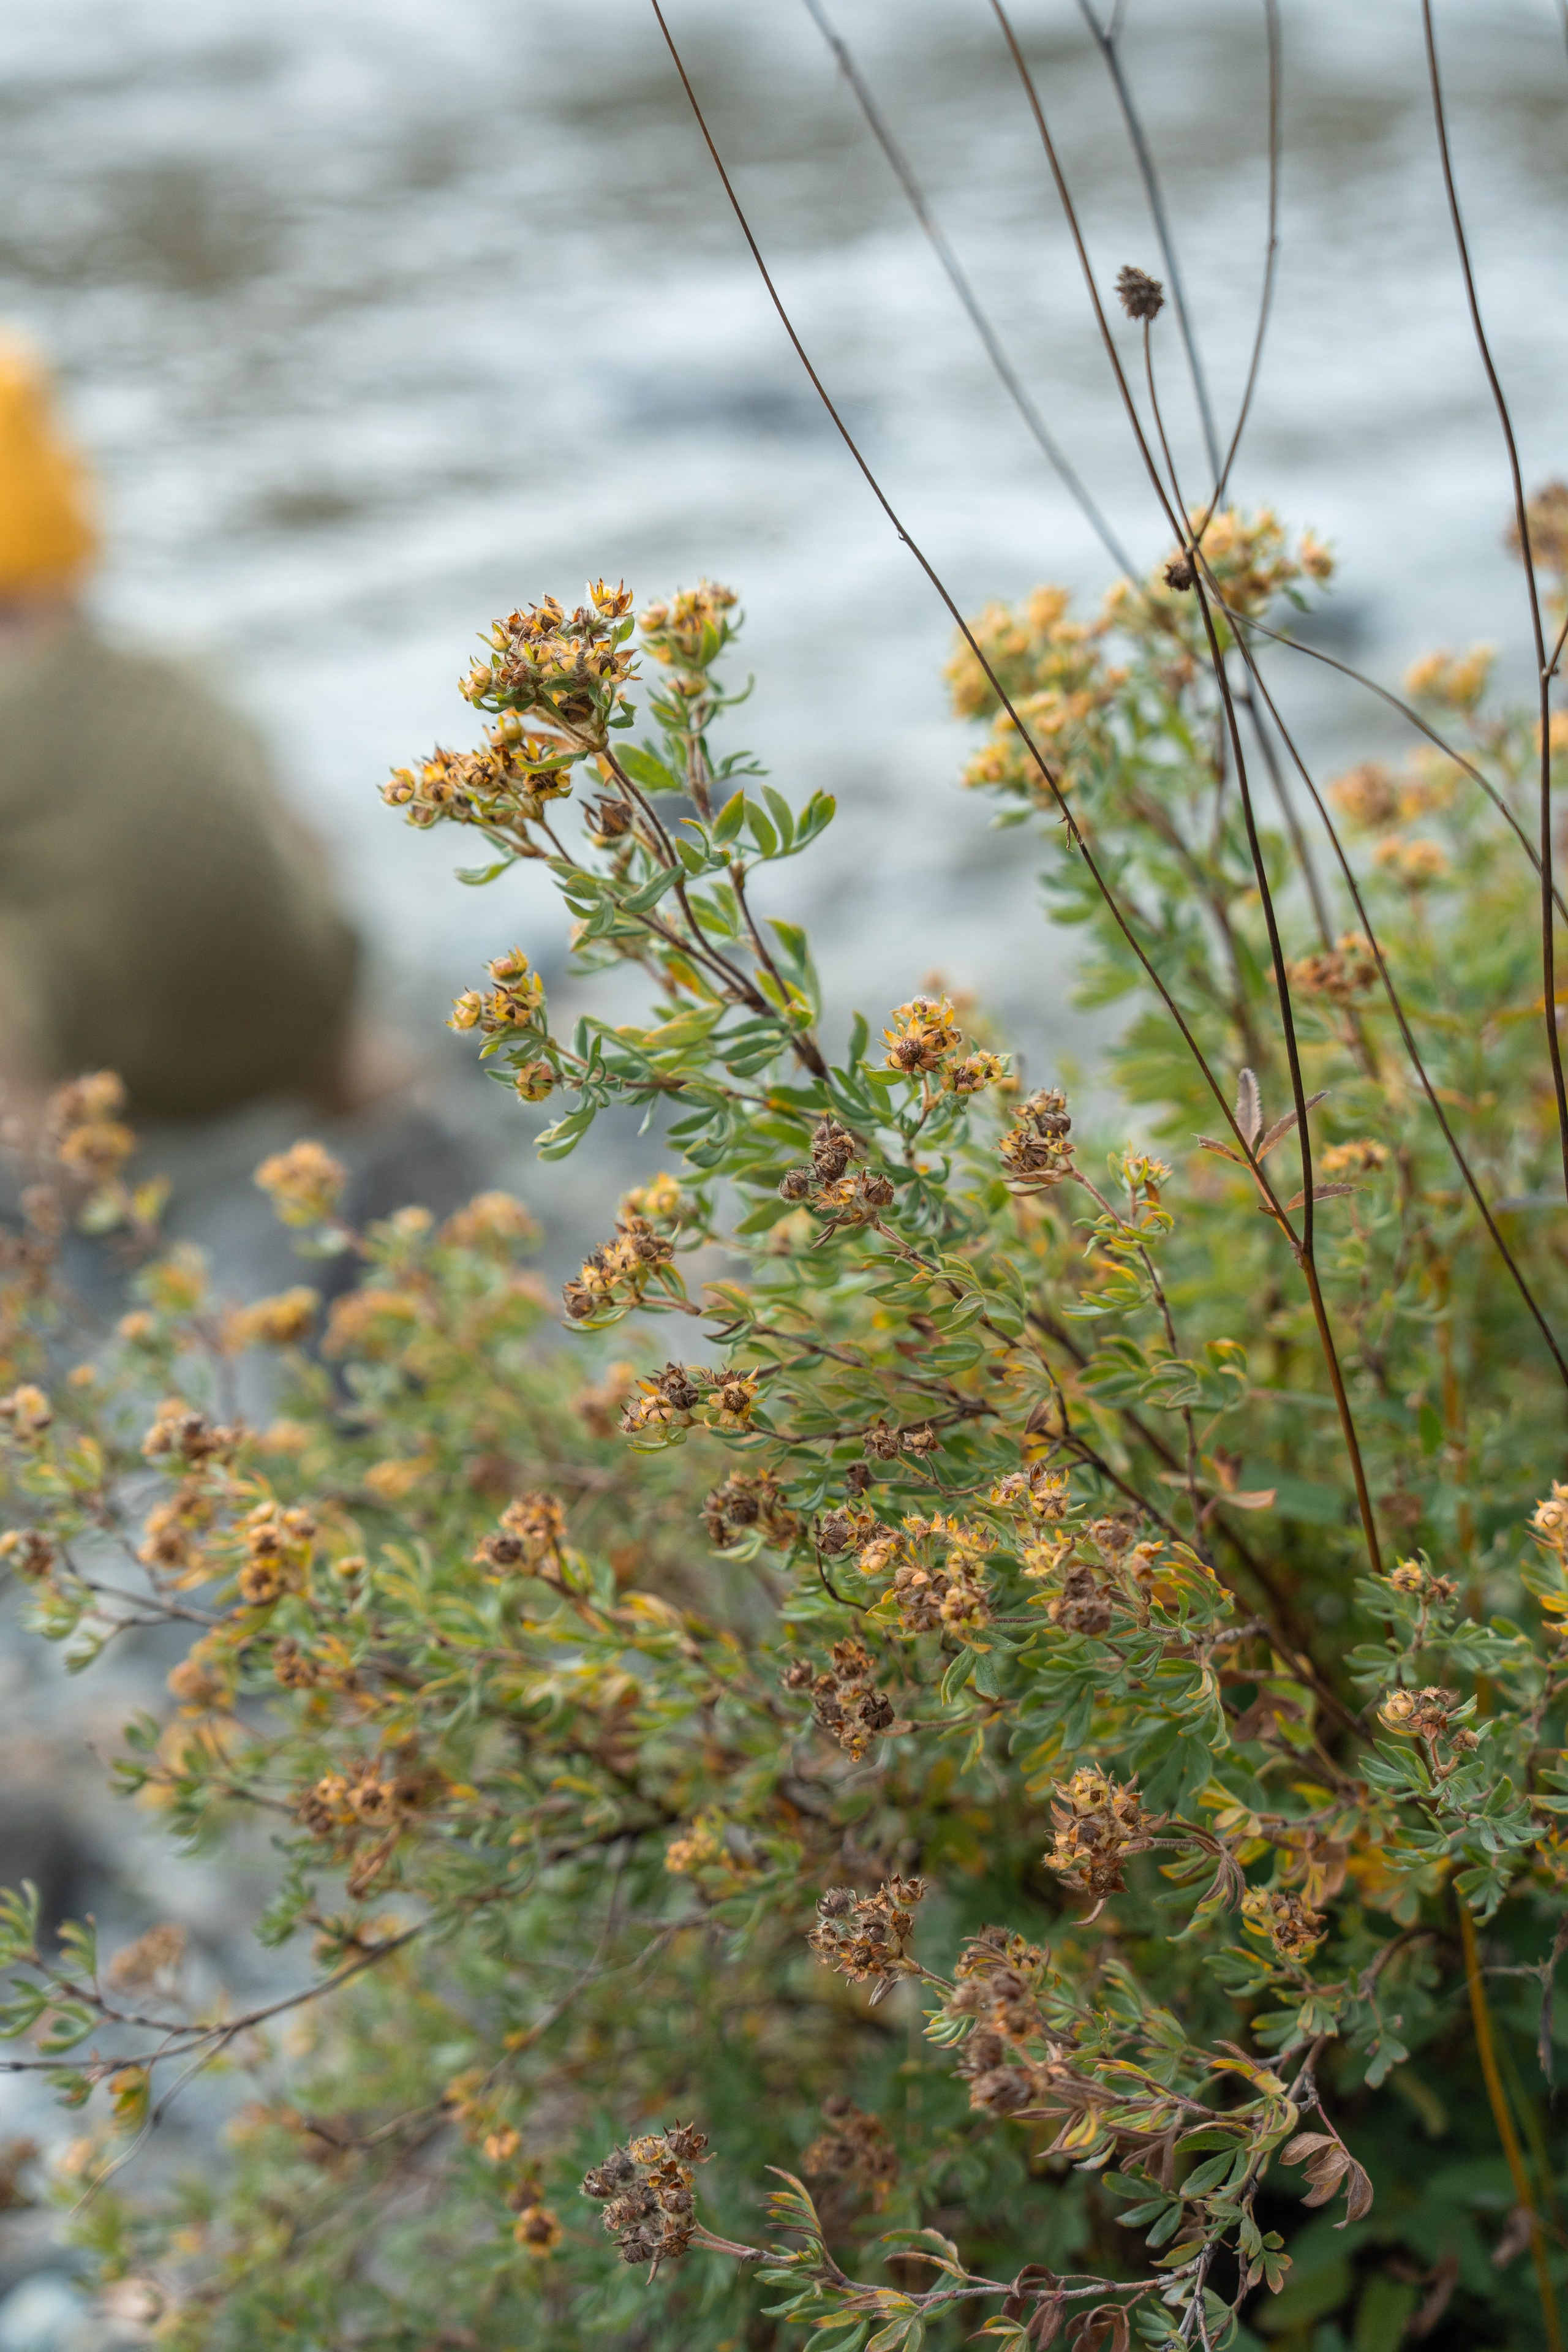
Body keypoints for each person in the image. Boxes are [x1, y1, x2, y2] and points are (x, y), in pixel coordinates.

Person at [0, 333, 361, 1121]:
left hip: (137, 1077)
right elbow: (308, 843)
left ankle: (51, 1172)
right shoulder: (181, 669)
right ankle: (365, 1085)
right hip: (310, 1023)